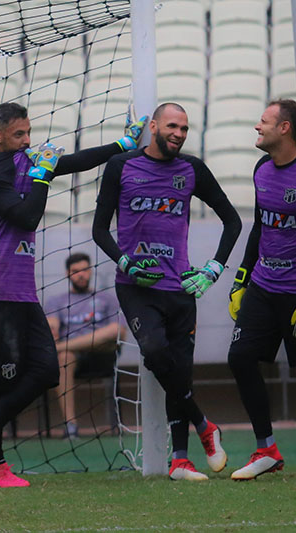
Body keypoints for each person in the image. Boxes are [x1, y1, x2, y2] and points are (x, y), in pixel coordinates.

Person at [0, 102, 146, 489]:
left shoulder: (28, 160)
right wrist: (42, 177)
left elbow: (76, 161)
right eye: (19, 135)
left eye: (29, 132)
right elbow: (27, 217)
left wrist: (122, 144)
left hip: (20, 291)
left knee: (44, 368)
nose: (27, 141)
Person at [92, 102, 242, 481]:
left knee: (181, 372)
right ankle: (204, 425)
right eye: (173, 126)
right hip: (136, 286)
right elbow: (99, 229)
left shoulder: (192, 169)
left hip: (180, 286)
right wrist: (124, 262)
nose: (179, 133)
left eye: (185, 129)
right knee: (155, 352)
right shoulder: (121, 165)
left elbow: (233, 220)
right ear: (154, 126)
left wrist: (212, 269)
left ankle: (180, 459)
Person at [227, 99, 296, 482]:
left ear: (285, 129)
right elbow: (261, 227)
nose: (257, 127)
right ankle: (267, 449)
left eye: (263, 122)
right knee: (240, 358)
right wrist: (243, 276)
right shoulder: (261, 169)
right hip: (262, 286)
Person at [45, 252, 124, 439]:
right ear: (67, 274)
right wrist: (53, 330)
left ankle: (64, 347)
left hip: (102, 354)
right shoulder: (56, 301)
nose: (81, 275)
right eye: (75, 271)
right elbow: (51, 326)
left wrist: (62, 345)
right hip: (72, 357)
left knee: (113, 332)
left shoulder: (107, 299)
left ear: (91, 271)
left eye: (85, 270)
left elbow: (118, 331)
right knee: (63, 357)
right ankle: (70, 425)